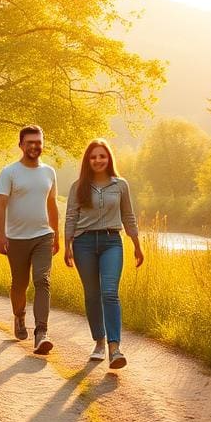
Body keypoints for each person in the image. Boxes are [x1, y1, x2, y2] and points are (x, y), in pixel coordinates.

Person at [63, 138, 144, 370]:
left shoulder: (121, 185)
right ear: (87, 161)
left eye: (102, 156)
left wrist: (137, 245)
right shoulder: (78, 186)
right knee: (92, 295)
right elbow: (71, 216)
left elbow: (128, 216)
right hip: (84, 244)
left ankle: (114, 348)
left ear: (109, 158)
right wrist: (67, 245)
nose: (98, 160)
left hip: (112, 242)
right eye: (93, 157)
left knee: (109, 293)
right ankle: (98, 342)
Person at [0, 125, 60, 355]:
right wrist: (1, 235)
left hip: (43, 236)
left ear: (43, 144)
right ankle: (19, 315)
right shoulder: (9, 172)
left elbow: (52, 204)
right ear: (21, 145)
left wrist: (56, 234)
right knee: (19, 284)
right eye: (30, 142)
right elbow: (0, 204)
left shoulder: (49, 172)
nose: (34, 146)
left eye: (38, 142)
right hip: (16, 238)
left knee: (42, 280)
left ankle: (41, 332)